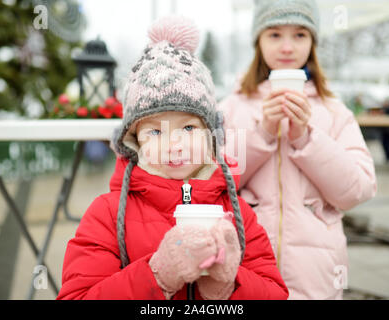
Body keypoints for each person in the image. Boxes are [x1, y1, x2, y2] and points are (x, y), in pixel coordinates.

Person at [56, 16, 288, 300]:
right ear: (133, 140)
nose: (173, 145)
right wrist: (156, 276)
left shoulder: (239, 214)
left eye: (189, 127)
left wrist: (230, 285)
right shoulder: (107, 214)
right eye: (155, 131)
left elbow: (275, 294)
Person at [217, 0, 377, 299]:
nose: (287, 47)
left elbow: (357, 190)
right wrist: (263, 131)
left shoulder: (334, 111)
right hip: (241, 270)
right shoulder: (230, 108)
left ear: (313, 41)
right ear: (258, 41)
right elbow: (212, 182)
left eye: (300, 34)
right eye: (275, 34)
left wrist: (306, 138)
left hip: (317, 276)